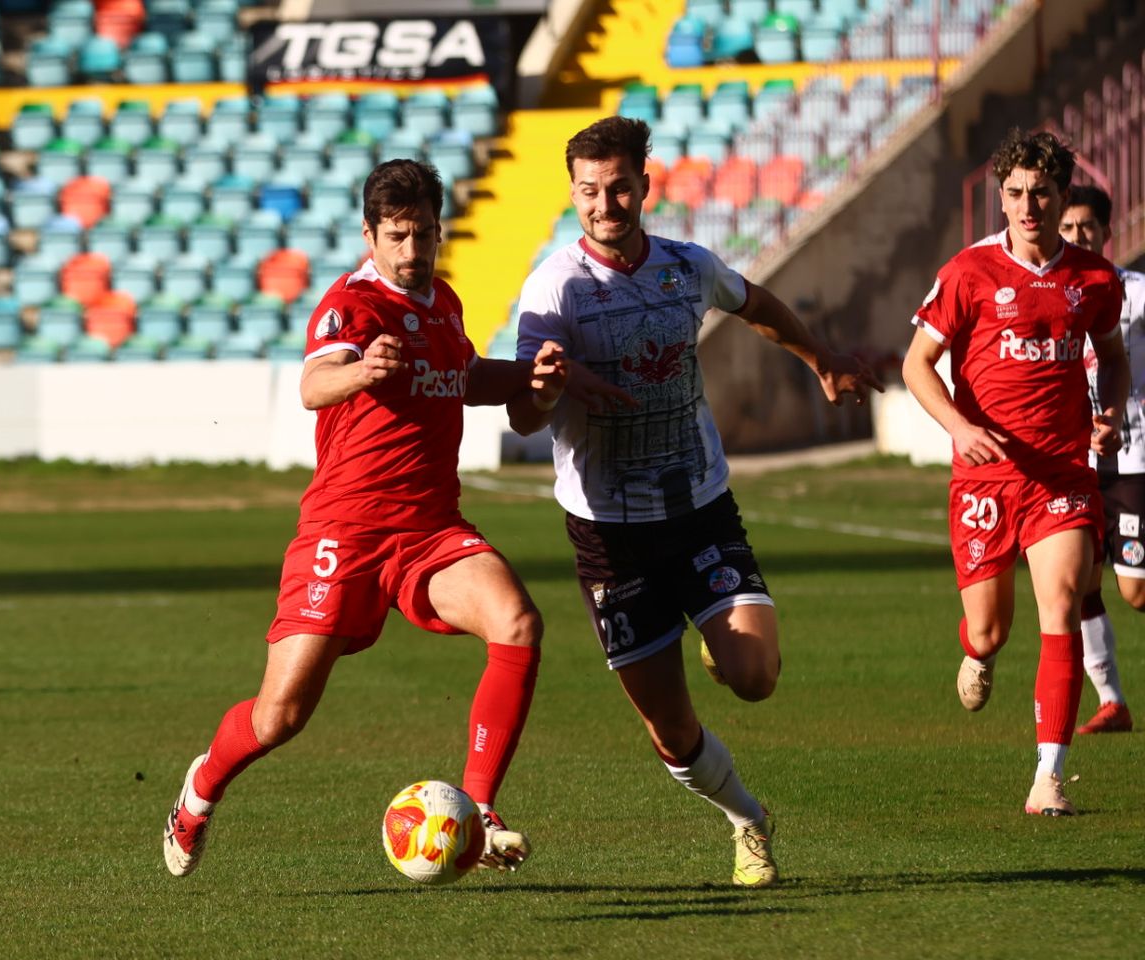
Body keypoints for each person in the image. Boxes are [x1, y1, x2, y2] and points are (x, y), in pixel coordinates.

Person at [163, 159, 631, 879]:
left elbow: (467, 378)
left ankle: (479, 809)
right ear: (369, 235)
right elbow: (314, 384)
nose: (413, 251)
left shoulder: (443, 302)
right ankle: (199, 790)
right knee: (278, 716)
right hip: (343, 534)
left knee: (517, 623)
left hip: (430, 531)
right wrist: (360, 372)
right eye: (398, 236)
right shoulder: (352, 305)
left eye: (425, 234)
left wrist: (538, 375)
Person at [506, 116, 880, 887]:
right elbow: (521, 412)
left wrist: (821, 360)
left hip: (700, 507)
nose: (604, 203)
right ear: (572, 193)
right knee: (672, 730)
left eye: (618, 187)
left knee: (755, 675)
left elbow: (756, 305)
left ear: (645, 183)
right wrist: (546, 386)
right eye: (587, 191)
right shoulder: (553, 288)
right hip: (609, 534)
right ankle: (749, 818)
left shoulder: (687, 267)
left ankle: (718, 634)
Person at [901, 130, 1128, 816]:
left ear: (1062, 197)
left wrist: (1109, 411)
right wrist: (961, 428)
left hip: (1061, 474)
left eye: (1041, 193)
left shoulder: (1092, 278)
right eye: (1015, 193)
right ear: (1000, 196)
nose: (1028, 205)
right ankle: (978, 650)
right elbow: (916, 365)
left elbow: (1112, 357)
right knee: (991, 629)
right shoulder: (968, 273)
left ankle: (1047, 775)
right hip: (985, 482)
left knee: (1061, 604)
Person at [1058, 184, 1145, 734]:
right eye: (1067, 228)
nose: (1076, 237)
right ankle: (1111, 700)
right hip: (1073, 462)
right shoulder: (1053, 292)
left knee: (1136, 591)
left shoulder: (1135, 291)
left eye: (1086, 227)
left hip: (1132, 456)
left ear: (1106, 233)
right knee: (1079, 581)